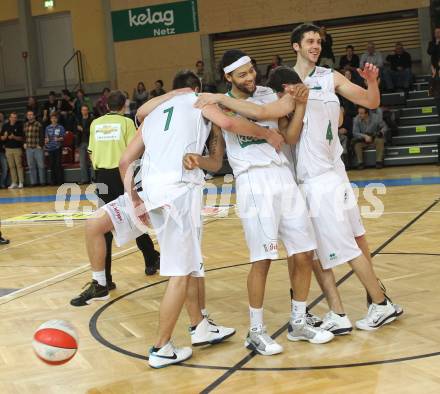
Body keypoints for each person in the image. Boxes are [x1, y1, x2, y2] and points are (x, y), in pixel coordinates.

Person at [195, 24, 401, 332]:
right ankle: (333, 311)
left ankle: (378, 301)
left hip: (322, 175)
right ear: (296, 46)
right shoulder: (285, 84)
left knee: (343, 244)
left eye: (319, 41)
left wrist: (370, 84)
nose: (316, 45)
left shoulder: (323, 80)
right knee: (307, 248)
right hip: (307, 176)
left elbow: (279, 120)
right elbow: (286, 125)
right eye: (310, 41)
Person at [70, 70, 280, 367]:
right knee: (182, 272)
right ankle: (161, 348)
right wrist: (267, 133)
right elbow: (231, 123)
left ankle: (198, 325)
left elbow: (124, 160)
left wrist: (135, 200)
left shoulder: (152, 113)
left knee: (187, 262)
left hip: (147, 191)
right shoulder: (199, 101)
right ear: (196, 89)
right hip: (177, 194)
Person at [198, 50, 335, 355]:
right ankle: (255, 331)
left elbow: (289, 136)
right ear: (228, 77)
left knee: (303, 252)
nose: (250, 78)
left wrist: (299, 106)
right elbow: (234, 127)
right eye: (242, 74)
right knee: (263, 258)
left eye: (251, 71)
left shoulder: (267, 95)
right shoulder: (216, 104)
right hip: (253, 181)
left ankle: (298, 322)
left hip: (282, 176)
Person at [76, 90, 160, 286]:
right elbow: (135, 150)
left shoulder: (95, 123)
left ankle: (105, 278)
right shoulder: (127, 123)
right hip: (122, 175)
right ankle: (150, 260)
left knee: (103, 227)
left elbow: (90, 153)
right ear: (124, 105)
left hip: (101, 177)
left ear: (106, 106)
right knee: (135, 216)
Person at [0, 112, 24, 189]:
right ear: (9, 118)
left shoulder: (19, 126)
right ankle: (14, 182)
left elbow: (22, 138)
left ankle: (21, 182)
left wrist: (14, 137)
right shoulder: (5, 126)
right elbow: (2, 138)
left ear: (16, 118)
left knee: (19, 166)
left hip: (17, 148)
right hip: (8, 149)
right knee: (11, 167)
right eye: (12, 117)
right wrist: (5, 136)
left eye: (15, 117)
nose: (14, 118)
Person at [23, 110, 46, 186]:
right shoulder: (25, 125)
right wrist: (24, 143)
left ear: (34, 116)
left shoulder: (38, 124)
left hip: (37, 148)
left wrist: (41, 144)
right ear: (27, 116)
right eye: (28, 115)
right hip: (29, 148)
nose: (30, 116)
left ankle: (42, 182)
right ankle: (34, 182)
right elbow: (24, 136)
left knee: (41, 165)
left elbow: (42, 135)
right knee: (31, 166)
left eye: (31, 114)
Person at [74, 104, 94, 184]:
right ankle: (84, 179)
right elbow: (76, 133)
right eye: (83, 110)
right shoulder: (78, 120)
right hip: (81, 143)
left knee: (92, 162)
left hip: (90, 142)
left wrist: (82, 129)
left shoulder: (92, 119)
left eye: (86, 110)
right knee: (82, 163)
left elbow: (91, 131)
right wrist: (76, 145)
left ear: (88, 111)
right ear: (81, 111)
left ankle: (93, 179)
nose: (84, 111)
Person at [45, 112, 65, 186]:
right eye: (52, 118)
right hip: (50, 148)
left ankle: (60, 181)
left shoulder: (61, 127)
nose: (53, 119)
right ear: (50, 119)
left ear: (57, 119)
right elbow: (46, 138)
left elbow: (63, 138)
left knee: (58, 164)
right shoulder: (47, 128)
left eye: (55, 118)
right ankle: (53, 181)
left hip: (57, 148)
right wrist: (46, 140)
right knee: (52, 165)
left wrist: (59, 139)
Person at [0, 112, 8, 188]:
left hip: (3, 151)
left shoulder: (6, 125)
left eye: (1, 116)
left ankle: (2, 184)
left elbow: (6, 137)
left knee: (5, 168)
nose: (0, 117)